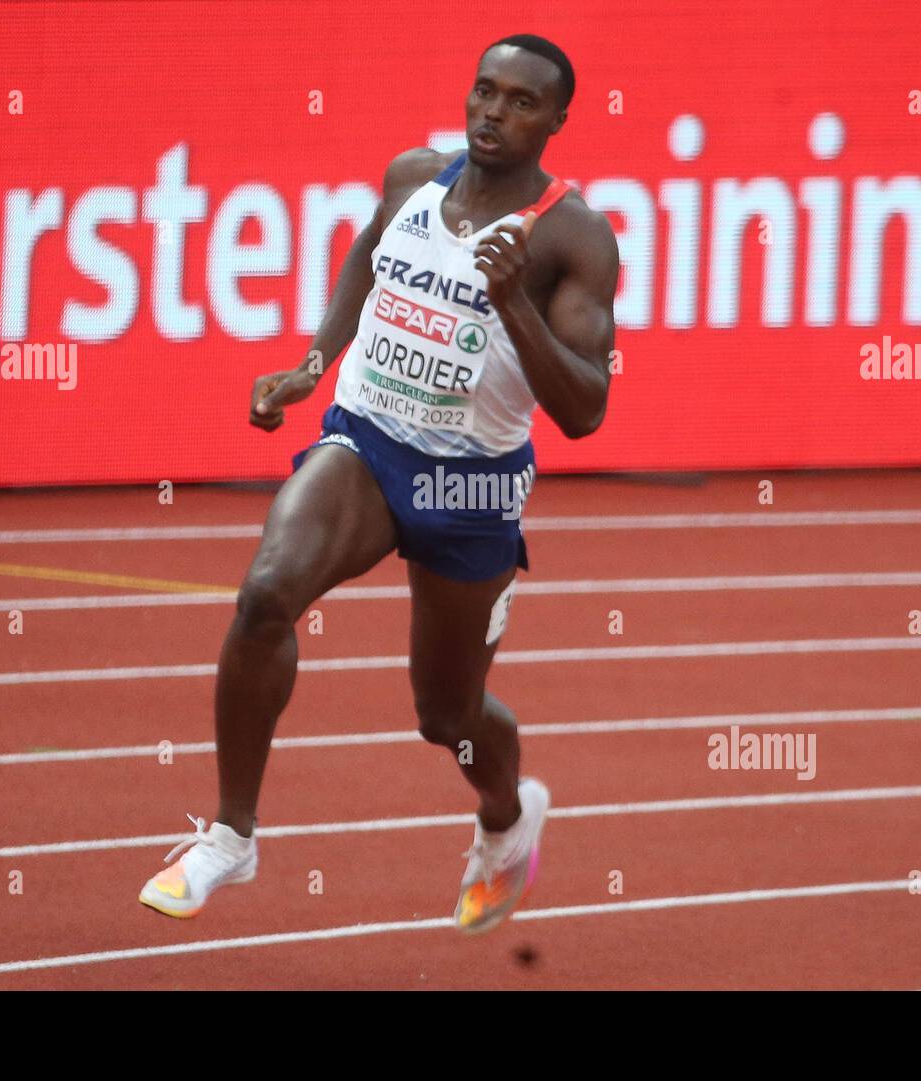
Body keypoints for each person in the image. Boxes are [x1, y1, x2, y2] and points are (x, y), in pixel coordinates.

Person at [140, 32, 619, 935]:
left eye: (521, 102)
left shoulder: (574, 236)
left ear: (557, 121)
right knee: (265, 593)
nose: (493, 111)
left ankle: (508, 822)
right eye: (484, 91)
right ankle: (231, 836)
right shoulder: (413, 176)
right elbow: (368, 256)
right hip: (368, 439)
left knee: (447, 715)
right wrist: (314, 362)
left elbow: (587, 409)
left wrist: (513, 298)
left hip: (472, 485)